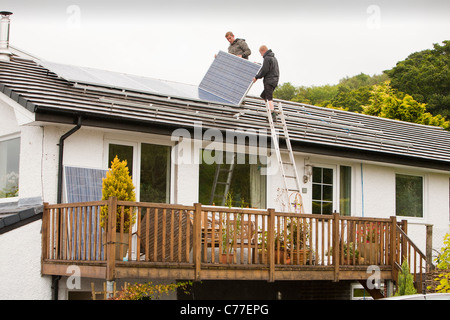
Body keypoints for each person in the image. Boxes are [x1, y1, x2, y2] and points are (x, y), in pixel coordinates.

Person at [253, 45, 279, 120]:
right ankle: (269, 111)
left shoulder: (267, 58)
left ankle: (272, 113)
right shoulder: (273, 58)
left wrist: (256, 77)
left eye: (261, 53)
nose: (261, 55)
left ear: (263, 51)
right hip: (274, 80)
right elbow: (266, 67)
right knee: (264, 96)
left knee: (268, 97)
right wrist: (258, 65)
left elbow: (265, 70)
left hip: (269, 81)